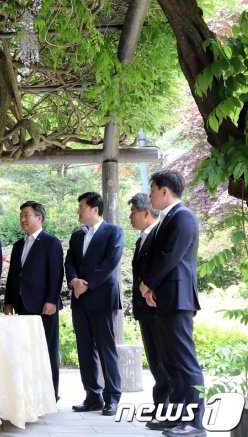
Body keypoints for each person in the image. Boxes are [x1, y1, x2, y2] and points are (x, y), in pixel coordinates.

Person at [139, 170, 205, 437]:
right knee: (170, 363)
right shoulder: (169, 218)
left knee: (184, 362)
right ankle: (176, 417)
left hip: (178, 299)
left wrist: (147, 284)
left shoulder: (184, 216)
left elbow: (169, 256)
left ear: (165, 191)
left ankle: (194, 422)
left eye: (153, 188)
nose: (150, 194)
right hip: (165, 299)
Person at [65, 191, 123, 416]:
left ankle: (113, 397)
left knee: (106, 348)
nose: (79, 211)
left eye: (81, 207)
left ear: (94, 209)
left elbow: (111, 261)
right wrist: (73, 281)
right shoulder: (77, 235)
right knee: (85, 348)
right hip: (79, 298)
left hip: (102, 297)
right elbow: (69, 260)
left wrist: (86, 284)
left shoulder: (113, 231)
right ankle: (92, 396)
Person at [5, 201, 63, 400]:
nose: (22, 219)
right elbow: (14, 274)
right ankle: (29, 393)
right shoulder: (18, 245)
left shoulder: (51, 242)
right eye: (21, 215)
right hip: (22, 304)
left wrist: (51, 300)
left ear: (39, 218)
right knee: (24, 351)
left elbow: (56, 274)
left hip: (43, 306)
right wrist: (9, 301)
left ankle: (50, 395)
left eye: (27, 215)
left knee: (47, 350)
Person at [128, 192, 176, 430]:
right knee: (156, 362)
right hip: (144, 310)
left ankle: (168, 411)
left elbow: (162, 267)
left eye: (133, 212)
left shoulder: (159, 235)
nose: (130, 217)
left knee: (165, 363)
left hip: (158, 308)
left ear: (146, 213)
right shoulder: (141, 238)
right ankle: (160, 408)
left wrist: (149, 288)